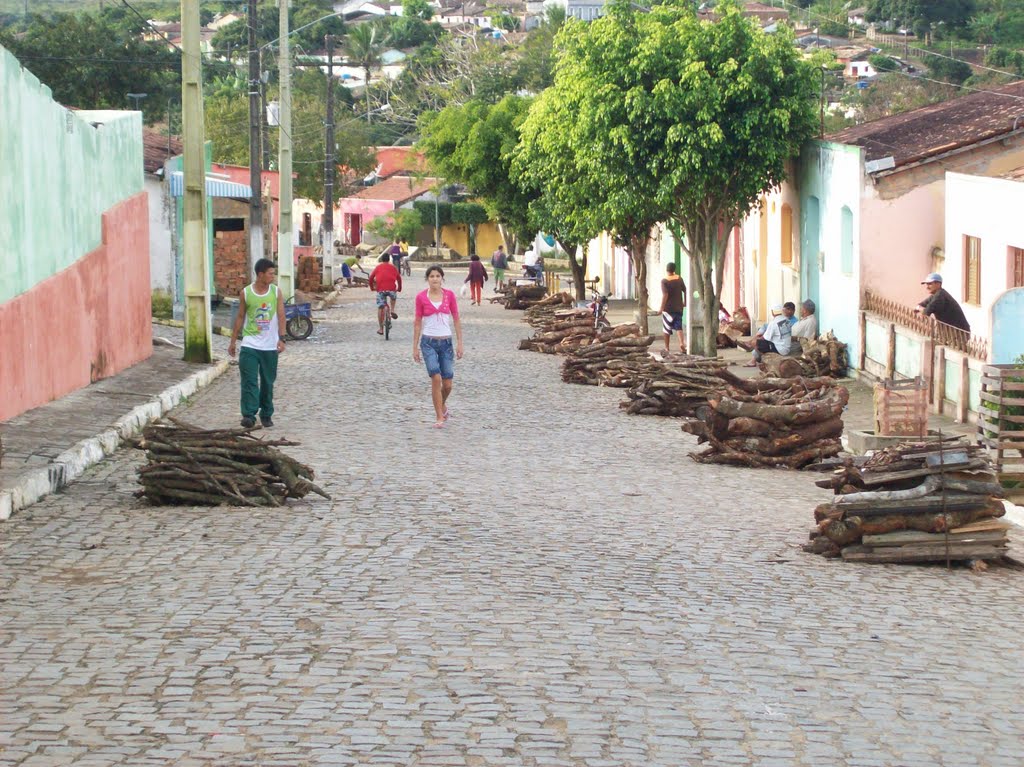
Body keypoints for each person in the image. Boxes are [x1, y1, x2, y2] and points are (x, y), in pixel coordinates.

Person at [228, 258, 286, 428]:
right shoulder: (246, 293)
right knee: (249, 381)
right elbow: (240, 317)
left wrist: (282, 338)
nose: (273, 277)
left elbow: (282, 316)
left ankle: (266, 413)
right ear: (260, 274)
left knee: (268, 382)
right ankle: (249, 415)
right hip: (249, 344)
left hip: (270, 346)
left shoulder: (276, 292)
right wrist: (233, 341)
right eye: (270, 274)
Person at [413, 265, 464, 428]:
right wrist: (415, 347)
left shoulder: (449, 296)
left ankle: (441, 404)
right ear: (427, 279)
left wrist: (460, 343)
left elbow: (456, 319)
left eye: (437, 276)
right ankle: (439, 417)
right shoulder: (421, 297)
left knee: (448, 384)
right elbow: (417, 322)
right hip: (428, 343)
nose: (435, 279)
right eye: (431, 276)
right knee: (436, 377)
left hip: (446, 343)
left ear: (442, 278)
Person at [369, 253, 402, 335]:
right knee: (393, 297)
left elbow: (371, 278)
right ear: (389, 259)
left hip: (380, 290)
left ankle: (381, 329)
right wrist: (399, 288)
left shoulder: (378, 267)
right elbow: (399, 278)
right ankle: (393, 310)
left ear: (382, 259)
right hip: (391, 289)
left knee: (380, 307)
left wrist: (372, 287)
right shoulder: (393, 267)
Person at [659, 262, 687, 356]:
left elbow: (665, 295)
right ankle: (681, 344)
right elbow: (685, 290)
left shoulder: (664, 281)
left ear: (667, 270)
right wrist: (685, 302)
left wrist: (661, 308)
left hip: (668, 309)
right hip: (679, 307)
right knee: (679, 327)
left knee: (666, 328)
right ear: (674, 270)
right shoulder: (679, 279)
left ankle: (667, 347)